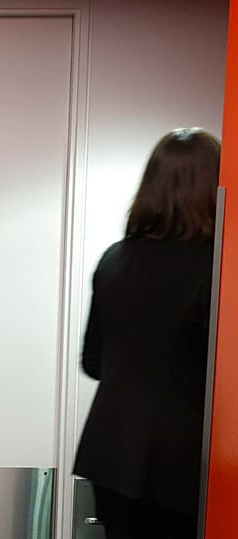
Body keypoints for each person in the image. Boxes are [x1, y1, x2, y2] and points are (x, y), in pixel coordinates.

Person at [74, 128, 220, 538]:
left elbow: (93, 362)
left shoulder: (115, 258)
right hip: (183, 467)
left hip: (110, 455)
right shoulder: (218, 268)